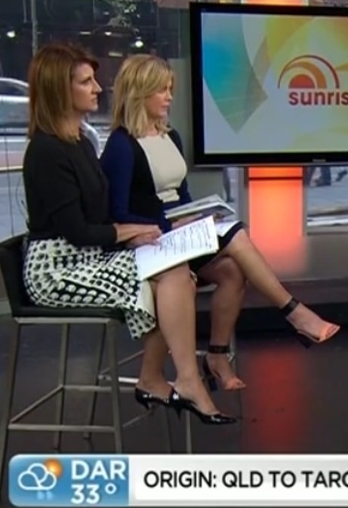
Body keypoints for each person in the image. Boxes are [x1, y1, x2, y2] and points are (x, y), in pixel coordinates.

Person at [20, 43, 236, 425]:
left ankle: (160, 378)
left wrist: (136, 229)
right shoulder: (46, 152)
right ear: (59, 90)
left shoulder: (81, 142)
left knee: (176, 272)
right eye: (86, 82)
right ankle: (179, 380)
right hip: (57, 268)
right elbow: (76, 231)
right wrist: (127, 232)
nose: (97, 88)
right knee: (172, 276)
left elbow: (98, 215)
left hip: (90, 254)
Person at [99, 54, 341, 390]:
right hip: (148, 245)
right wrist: (170, 225)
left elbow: (180, 193)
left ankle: (217, 355)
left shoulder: (170, 136)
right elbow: (117, 212)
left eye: (170, 88)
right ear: (139, 92)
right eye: (161, 90)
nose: (169, 97)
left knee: (232, 271)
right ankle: (294, 312)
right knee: (237, 235)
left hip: (175, 235)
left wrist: (196, 215)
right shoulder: (121, 145)